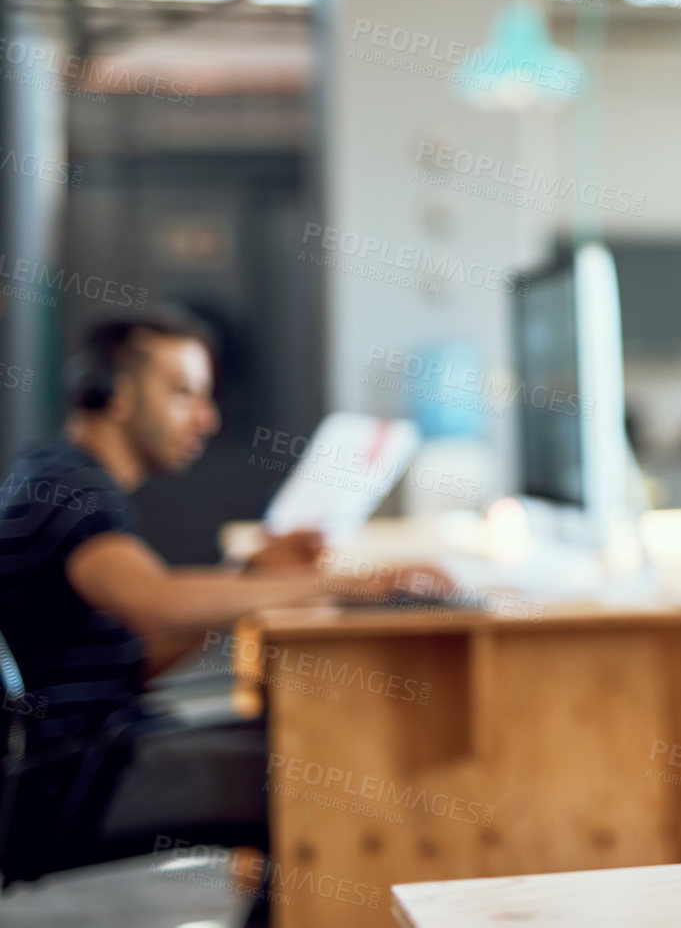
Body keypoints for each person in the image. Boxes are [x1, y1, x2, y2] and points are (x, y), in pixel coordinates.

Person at [0, 313, 434, 882]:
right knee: (326, 778)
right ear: (116, 394)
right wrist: (350, 582)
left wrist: (247, 575)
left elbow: (139, 649)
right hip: (72, 779)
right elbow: (152, 602)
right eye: (184, 394)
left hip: (84, 755)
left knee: (303, 748)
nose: (206, 419)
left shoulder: (59, 474)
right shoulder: (72, 488)